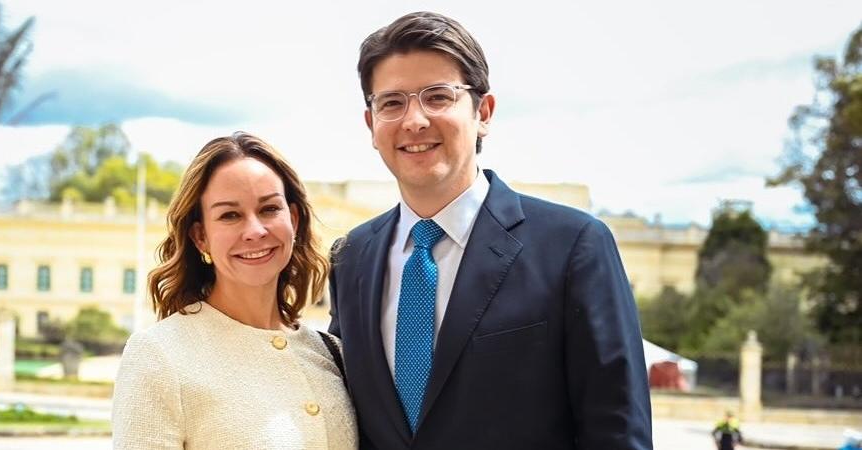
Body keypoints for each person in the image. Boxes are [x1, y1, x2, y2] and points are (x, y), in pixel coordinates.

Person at [327, 11, 653, 449]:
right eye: (391, 102)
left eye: (438, 97)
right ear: (371, 125)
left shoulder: (574, 247)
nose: (414, 120)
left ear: (483, 111)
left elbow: (616, 432)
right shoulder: (351, 258)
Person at [113, 132, 357, 449]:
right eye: (230, 215)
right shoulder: (160, 356)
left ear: (293, 220)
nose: (255, 231)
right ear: (200, 236)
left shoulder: (331, 352)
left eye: (269, 209)